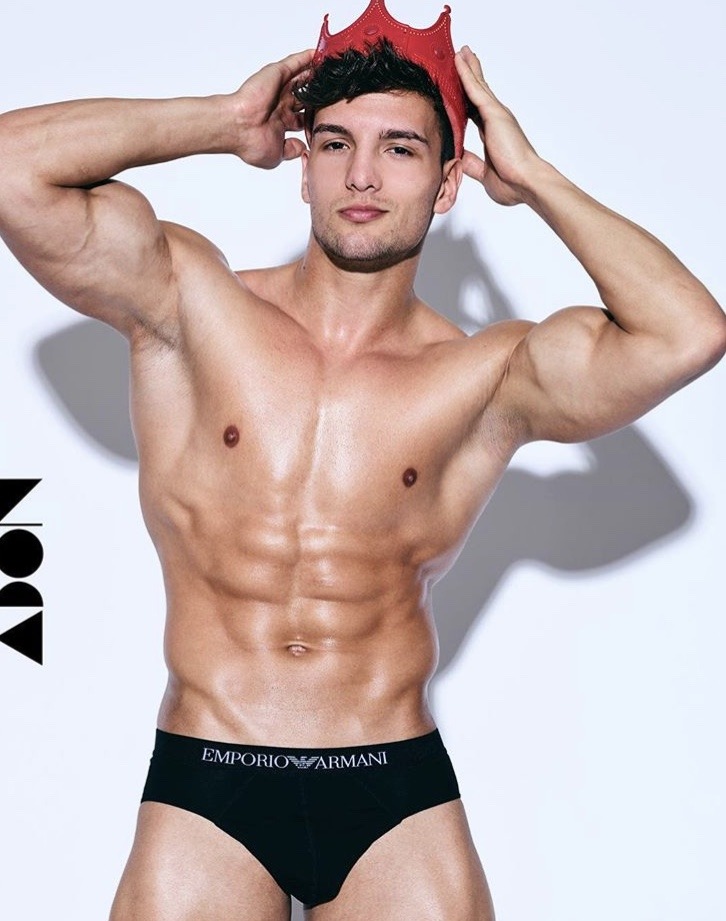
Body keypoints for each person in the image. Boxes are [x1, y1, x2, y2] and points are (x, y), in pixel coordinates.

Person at [0, 0, 723, 917]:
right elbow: (11, 168)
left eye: (401, 148)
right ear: (303, 167)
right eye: (336, 143)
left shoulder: (485, 375)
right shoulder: (191, 302)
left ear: (448, 183)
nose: (363, 174)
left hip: (393, 794)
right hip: (207, 777)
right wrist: (224, 121)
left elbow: (688, 333)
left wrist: (535, 178)